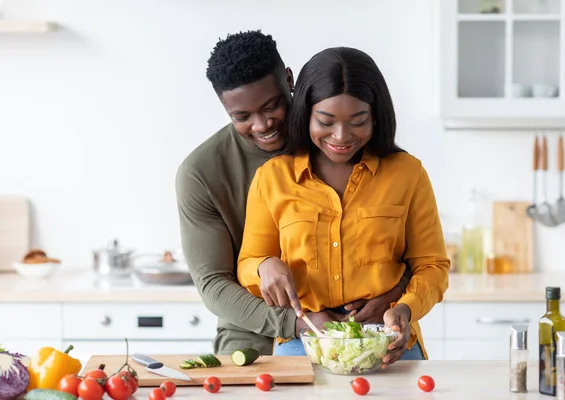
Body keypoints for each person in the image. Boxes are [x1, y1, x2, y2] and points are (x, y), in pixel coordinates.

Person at [176, 31, 411, 356]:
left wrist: (394, 292)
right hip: (252, 325)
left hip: (356, 320)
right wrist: (297, 322)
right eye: (241, 117)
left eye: (271, 106)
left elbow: (409, 247)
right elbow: (214, 284)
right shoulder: (201, 173)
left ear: (289, 79)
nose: (262, 125)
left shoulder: (340, 136)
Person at [237, 46, 450, 364]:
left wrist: (403, 308)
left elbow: (433, 266)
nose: (341, 136)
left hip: (386, 339)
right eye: (325, 121)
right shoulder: (272, 178)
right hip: (306, 340)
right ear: (306, 113)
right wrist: (263, 266)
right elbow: (247, 263)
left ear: (375, 117)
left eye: (357, 121)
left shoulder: (408, 173)